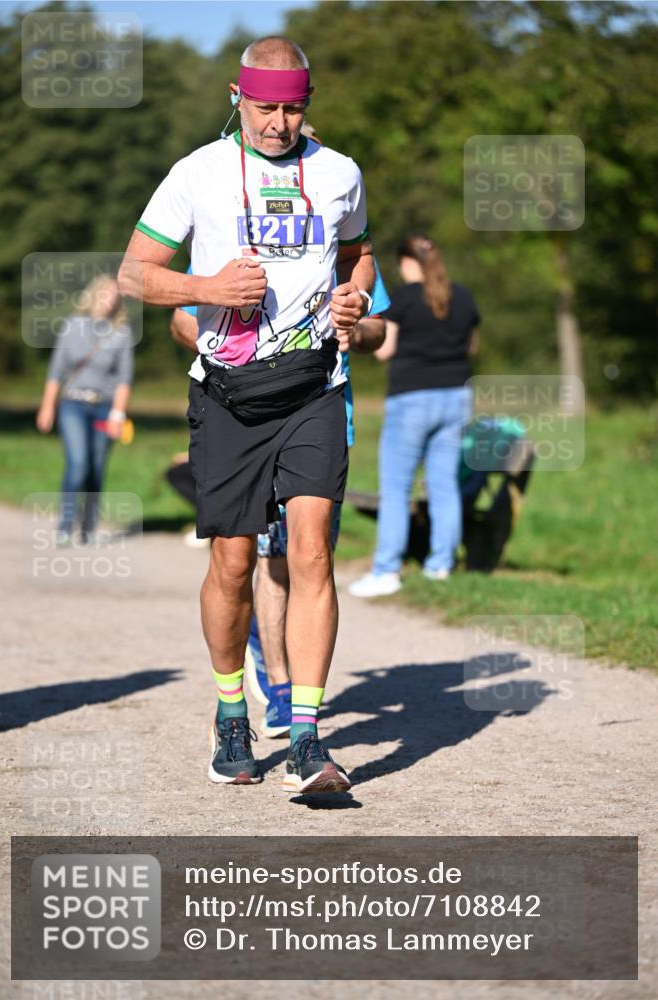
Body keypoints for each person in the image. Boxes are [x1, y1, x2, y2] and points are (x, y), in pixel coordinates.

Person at [119, 36, 375, 793]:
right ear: (238, 98)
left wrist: (354, 294)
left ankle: (304, 735)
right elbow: (135, 274)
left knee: (310, 553)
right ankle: (231, 710)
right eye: (265, 107)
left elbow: (359, 252)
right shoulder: (196, 173)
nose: (278, 122)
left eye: (293, 107)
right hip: (228, 394)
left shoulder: (338, 173)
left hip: (312, 388)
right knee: (232, 564)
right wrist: (207, 289)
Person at [171, 265, 390, 736]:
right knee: (264, 561)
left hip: (324, 420)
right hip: (248, 417)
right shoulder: (229, 231)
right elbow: (181, 320)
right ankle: (279, 687)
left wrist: (355, 324)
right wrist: (236, 346)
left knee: (309, 557)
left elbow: (379, 330)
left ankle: (294, 702)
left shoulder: (340, 248)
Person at [349, 235, 480, 598]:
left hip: (412, 399)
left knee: (395, 487)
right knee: (444, 484)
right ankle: (441, 565)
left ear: (408, 262)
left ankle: (387, 570)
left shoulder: (403, 299)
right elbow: (472, 345)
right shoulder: (463, 296)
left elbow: (384, 350)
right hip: (456, 398)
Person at [36, 275, 134, 546]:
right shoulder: (72, 326)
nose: (110, 300)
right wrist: (47, 407)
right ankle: (65, 526)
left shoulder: (122, 333)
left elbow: (125, 379)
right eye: (105, 294)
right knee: (78, 463)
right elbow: (56, 371)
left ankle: (88, 527)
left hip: (104, 407)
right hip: (73, 404)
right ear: (92, 296)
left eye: (115, 296)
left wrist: (117, 414)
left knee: (96, 467)